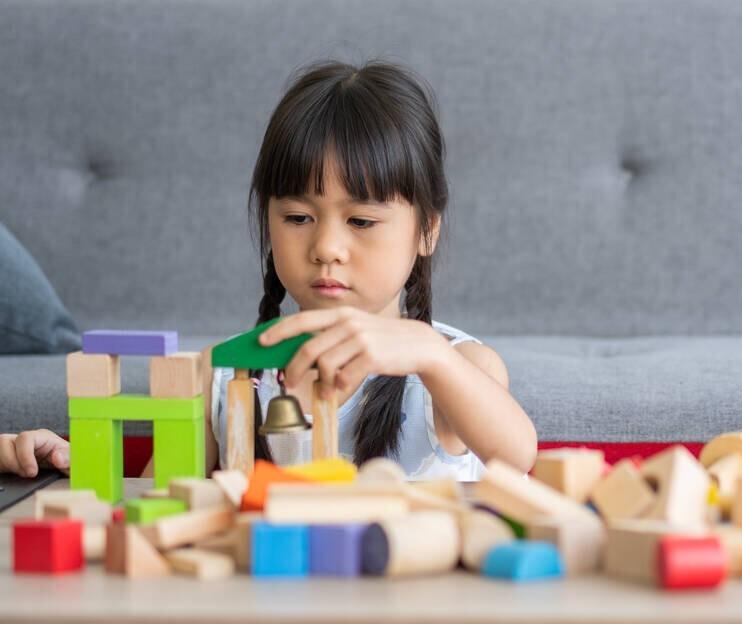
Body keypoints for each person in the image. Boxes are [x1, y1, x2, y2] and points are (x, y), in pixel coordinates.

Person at [1, 59, 537, 481]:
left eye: (362, 221)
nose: (327, 247)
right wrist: (75, 464)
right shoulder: (222, 372)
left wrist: (427, 353)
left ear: (427, 231)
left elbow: (517, 455)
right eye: (299, 217)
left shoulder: (458, 366)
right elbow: (161, 497)